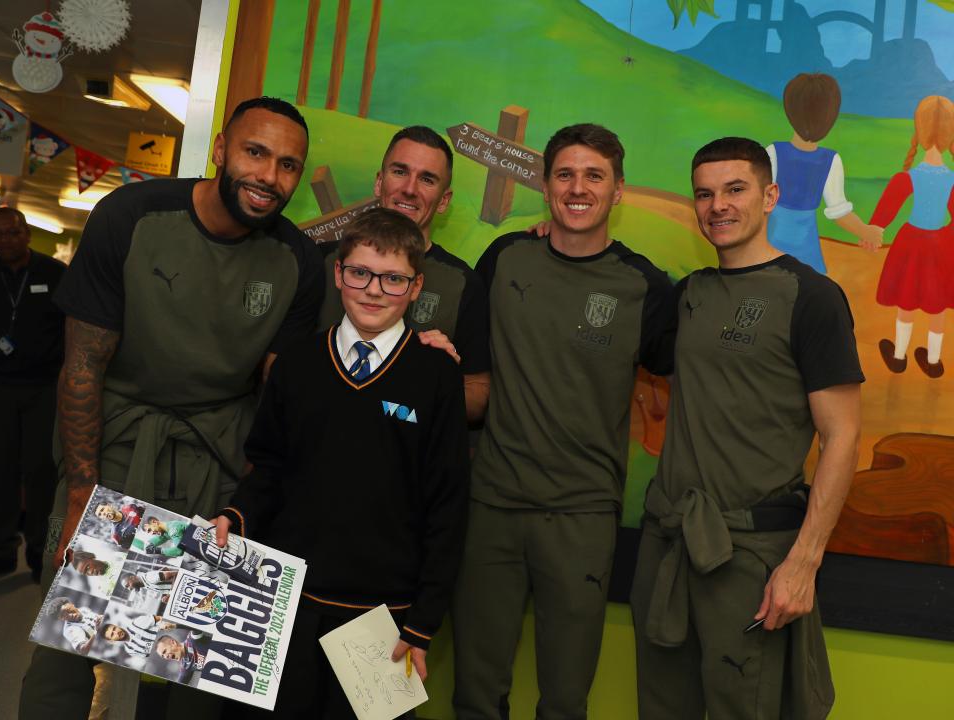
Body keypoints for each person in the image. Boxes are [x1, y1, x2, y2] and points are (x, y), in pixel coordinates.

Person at [19, 96, 323, 720]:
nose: (269, 176)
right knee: (70, 642)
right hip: (117, 447)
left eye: (288, 165)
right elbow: (83, 364)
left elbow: (278, 397)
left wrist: (255, 501)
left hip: (217, 458)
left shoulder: (297, 260)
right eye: (256, 152)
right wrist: (81, 496)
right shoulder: (132, 215)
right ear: (221, 149)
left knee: (192, 663)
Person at [631, 137, 863, 719]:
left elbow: (842, 437)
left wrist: (803, 563)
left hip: (751, 555)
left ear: (770, 196)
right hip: (668, 544)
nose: (718, 206)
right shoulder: (690, 294)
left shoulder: (812, 297)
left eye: (735, 189)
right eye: (704, 194)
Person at [451, 124, 676, 719]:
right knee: (475, 692)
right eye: (565, 175)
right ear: (546, 185)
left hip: (582, 515)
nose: (578, 188)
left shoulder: (644, 286)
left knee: (566, 698)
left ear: (618, 190)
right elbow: (467, 359)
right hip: (493, 505)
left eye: (594, 176)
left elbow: (687, 372)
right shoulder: (505, 257)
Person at [213, 207, 469, 719]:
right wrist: (235, 516)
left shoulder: (437, 375)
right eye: (360, 273)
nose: (373, 290)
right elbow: (267, 466)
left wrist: (422, 623)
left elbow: (448, 504)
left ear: (416, 287)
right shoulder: (298, 363)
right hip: (282, 601)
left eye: (393, 278)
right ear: (338, 273)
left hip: (385, 618)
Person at [315, 126, 490, 420]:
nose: (410, 188)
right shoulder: (322, 261)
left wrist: (438, 378)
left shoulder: (462, 283)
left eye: (427, 179)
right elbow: (281, 368)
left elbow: (477, 398)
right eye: (399, 171)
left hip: (407, 443)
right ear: (379, 182)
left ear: (444, 200)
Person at [0, 207, 66, 581]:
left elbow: (72, 327)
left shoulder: (54, 273)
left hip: (43, 388)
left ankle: (40, 550)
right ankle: (1, 550)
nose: (5, 240)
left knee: (41, 470)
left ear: (27, 234)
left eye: (12, 232)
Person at [869, 95, 954, 378]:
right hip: (940, 244)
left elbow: (885, 212)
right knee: (937, 305)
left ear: (919, 131)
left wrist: (873, 232)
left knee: (907, 298)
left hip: (911, 243)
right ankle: (933, 361)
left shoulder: (907, 177)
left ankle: (898, 357)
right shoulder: (951, 179)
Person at [766, 73, 882, 273]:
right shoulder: (830, 160)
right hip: (805, 249)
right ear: (830, 117)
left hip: (772, 245)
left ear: (790, 111)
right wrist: (866, 232)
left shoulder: (773, 152)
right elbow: (840, 212)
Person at [101, 614, 176, 657]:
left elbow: (161, 618)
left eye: (114, 628)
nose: (116, 632)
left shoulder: (136, 623)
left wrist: (164, 625)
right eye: (112, 634)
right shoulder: (130, 650)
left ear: (117, 626)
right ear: (111, 641)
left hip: (174, 636)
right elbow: (151, 656)